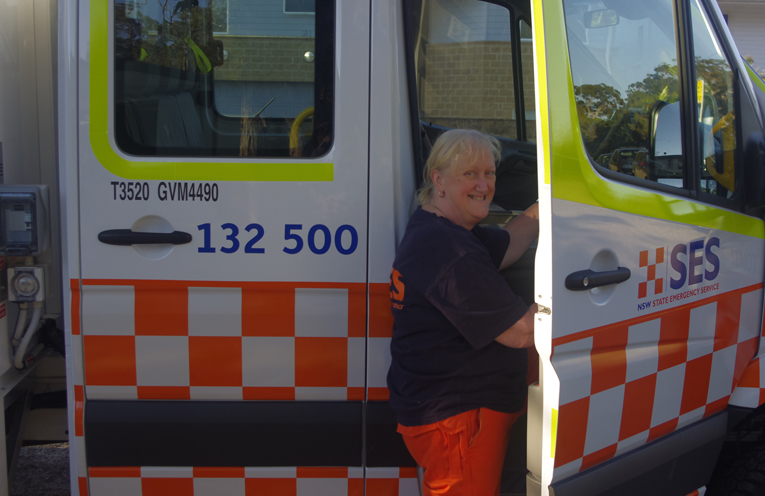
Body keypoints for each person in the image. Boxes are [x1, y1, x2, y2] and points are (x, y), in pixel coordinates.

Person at [387, 129, 539, 496]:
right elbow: (521, 332)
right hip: (457, 423)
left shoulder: (442, 228)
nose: (484, 185)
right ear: (438, 179)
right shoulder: (450, 251)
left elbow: (513, 241)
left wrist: (549, 203)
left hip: (456, 416)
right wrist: (577, 288)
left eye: (489, 173)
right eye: (470, 174)